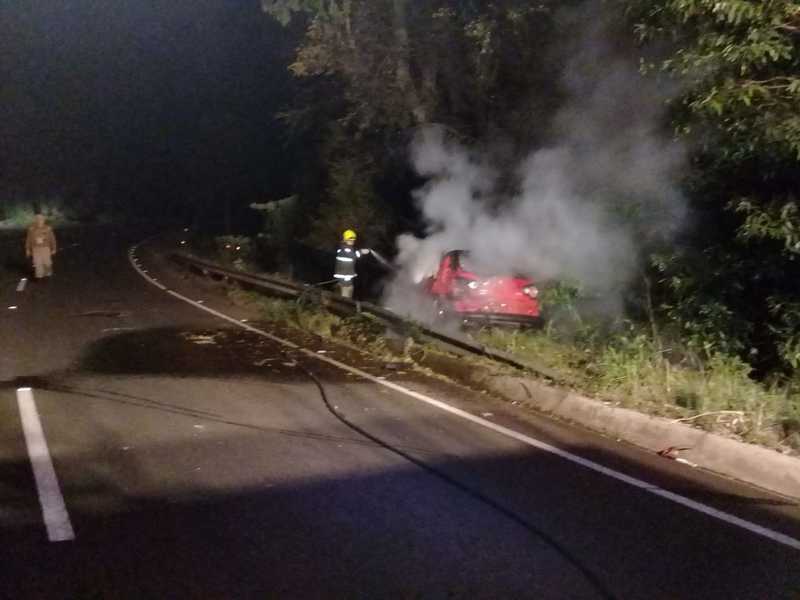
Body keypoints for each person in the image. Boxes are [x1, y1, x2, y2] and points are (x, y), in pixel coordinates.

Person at [25, 213, 57, 279]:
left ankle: (47, 274)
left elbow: (52, 239)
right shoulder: (31, 229)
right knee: (37, 263)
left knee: (47, 262)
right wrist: (27, 249)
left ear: (44, 220)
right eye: (38, 219)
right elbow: (28, 240)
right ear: (35, 220)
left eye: (41, 219)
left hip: (46, 248)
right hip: (36, 248)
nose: (39, 220)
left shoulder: (48, 229)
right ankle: (39, 276)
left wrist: (54, 248)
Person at [334, 229, 361, 298]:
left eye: (353, 240)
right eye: (350, 239)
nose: (352, 241)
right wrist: (361, 252)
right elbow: (352, 256)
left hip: (348, 280)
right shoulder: (344, 250)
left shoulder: (347, 249)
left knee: (348, 297)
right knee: (344, 300)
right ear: (345, 240)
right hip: (344, 281)